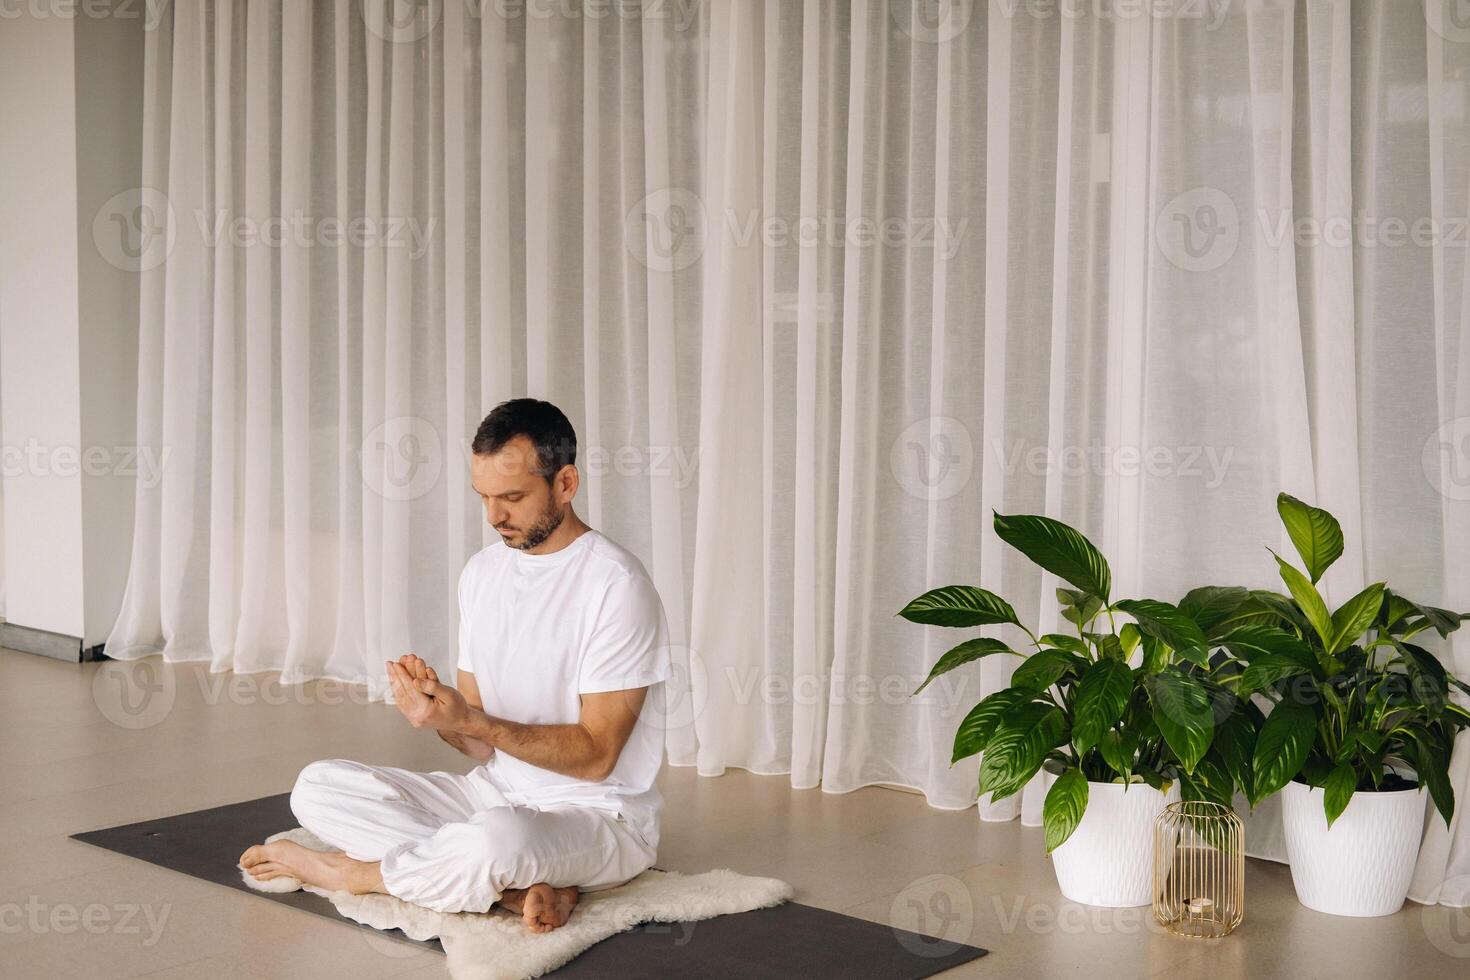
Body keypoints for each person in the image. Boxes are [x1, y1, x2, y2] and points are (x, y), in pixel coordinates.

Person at [240, 398, 671, 933]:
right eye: (484, 497)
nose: (494, 517)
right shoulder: (481, 574)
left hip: (598, 817)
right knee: (317, 787)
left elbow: (597, 758)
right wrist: (442, 715)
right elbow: (481, 746)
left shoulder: (617, 586)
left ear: (566, 483)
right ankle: (515, 890)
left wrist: (472, 720)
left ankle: (356, 874)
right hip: (492, 795)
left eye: (513, 497)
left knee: (497, 841)